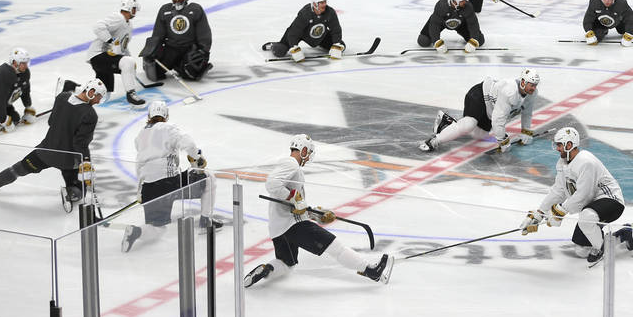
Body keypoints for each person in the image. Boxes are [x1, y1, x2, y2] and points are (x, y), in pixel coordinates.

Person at [243, 134, 392, 287]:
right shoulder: (291, 164)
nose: (307, 158)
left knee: (287, 264)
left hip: (278, 228)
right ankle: (370, 270)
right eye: (307, 154)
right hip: (293, 225)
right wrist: (294, 197)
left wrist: (315, 215)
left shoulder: (291, 167)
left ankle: (267, 269)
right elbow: (272, 184)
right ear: (303, 150)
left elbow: (296, 205)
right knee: (335, 247)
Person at [0, 78, 104, 212]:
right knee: (80, 189)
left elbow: (51, 122)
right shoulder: (90, 114)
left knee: (17, 170)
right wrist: (86, 162)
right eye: (98, 97)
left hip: (45, 152)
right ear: (91, 92)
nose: (98, 101)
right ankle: (70, 194)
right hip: (68, 160)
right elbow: (81, 144)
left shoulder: (62, 97)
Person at [519, 127, 633, 265]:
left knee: (586, 218)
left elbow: (584, 195)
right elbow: (559, 190)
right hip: (592, 206)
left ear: (569, 145)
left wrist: (560, 211)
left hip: (611, 201)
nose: (557, 148)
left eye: (559, 145)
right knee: (581, 250)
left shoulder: (586, 162)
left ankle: (601, 249)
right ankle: (624, 233)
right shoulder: (562, 164)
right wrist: (539, 214)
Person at [121, 101, 210, 252]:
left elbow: (139, 165)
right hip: (169, 183)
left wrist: (140, 191)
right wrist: (197, 159)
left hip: (148, 187)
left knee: (157, 228)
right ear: (166, 116)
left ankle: (137, 231)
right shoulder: (168, 128)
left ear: (149, 116)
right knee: (209, 179)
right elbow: (188, 143)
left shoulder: (140, 135)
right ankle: (206, 221)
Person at [419, 68, 539, 153]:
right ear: (523, 82)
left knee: (479, 135)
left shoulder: (531, 94)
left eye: (535, 85)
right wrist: (502, 140)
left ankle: (447, 122)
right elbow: (498, 120)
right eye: (531, 85)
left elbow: (527, 112)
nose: (533, 88)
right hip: (479, 95)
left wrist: (526, 131)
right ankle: (434, 141)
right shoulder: (509, 92)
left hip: (490, 107)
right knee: (468, 125)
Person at [139, 0, 213, 82]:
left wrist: (203, 51)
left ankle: (180, 66)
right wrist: (152, 50)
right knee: (156, 72)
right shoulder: (165, 10)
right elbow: (158, 33)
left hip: (190, 48)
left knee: (190, 73)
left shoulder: (195, 9)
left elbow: (204, 32)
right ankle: (176, 63)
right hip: (171, 48)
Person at [86, 0, 145, 106]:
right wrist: (110, 41)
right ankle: (131, 94)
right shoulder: (118, 18)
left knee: (103, 95)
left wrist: (130, 61)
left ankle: (72, 88)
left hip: (106, 59)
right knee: (127, 62)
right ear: (130, 8)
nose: (135, 12)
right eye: (134, 9)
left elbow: (123, 46)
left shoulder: (128, 25)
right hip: (99, 56)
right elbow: (98, 27)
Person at [263, 0, 345, 62]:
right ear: (315, 4)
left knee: (341, 46)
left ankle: (319, 43)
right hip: (300, 34)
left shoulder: (330, 12)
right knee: (280, 51)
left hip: (319, 35)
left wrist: (336, 43)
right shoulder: (305, 13)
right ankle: (273, 45)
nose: (324, 4)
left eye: (325, 2)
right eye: (321, 3)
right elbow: (294, 32)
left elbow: (336, 29)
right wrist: (294, 47)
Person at [0, 47, 36, 134]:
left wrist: (28, 108)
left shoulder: (25, 73)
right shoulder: (4, 74)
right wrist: (4, 120)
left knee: (15, 118)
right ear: (14, 62)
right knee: (5, 117)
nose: (26, 66)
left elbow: (25, 90)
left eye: (26, 62)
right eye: (23, 63)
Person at [416, 0, 485, 53]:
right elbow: (435, 24)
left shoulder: (467, 6)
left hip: (461, 24)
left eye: (464, 0)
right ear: (455, 2)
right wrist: (436, 41)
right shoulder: (441, 6)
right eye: (462, 1)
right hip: (442, 23)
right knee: (423, 40)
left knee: (480, 40)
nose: (465, 2)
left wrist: (473, 40)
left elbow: (473, 24)